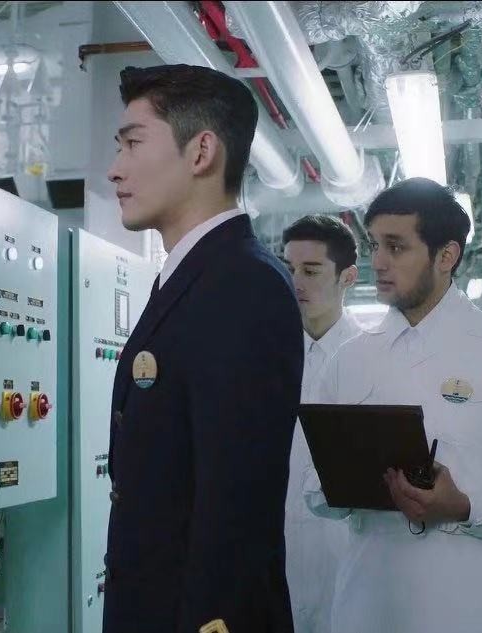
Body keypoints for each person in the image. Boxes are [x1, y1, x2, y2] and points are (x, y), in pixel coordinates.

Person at [310, 178, 482, 633]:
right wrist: (345, 485)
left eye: (396, 247)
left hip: (473, 612)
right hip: (368, 609)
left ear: (446, 256)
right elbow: (311, 488)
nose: (378, 262)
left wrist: (464, 506)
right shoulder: (347, 360)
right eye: (374, 245)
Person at [103, 64, 304, 633]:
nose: (114, 168)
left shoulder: (243, 285)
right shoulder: (195, 277)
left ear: (201, 153)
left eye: (133, 143)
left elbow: (238, 506)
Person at [279, 214, 360, 633]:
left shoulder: (371, 361)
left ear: (348, 277)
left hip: (346, 561)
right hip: (274, 559)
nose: (296, 282)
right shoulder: (263, 357)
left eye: (311, 271)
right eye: (289, 269)